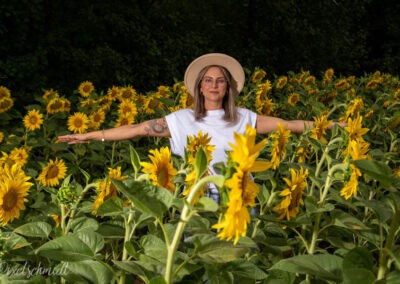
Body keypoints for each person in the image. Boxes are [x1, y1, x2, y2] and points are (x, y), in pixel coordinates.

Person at [58, 53, 344, 201]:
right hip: (197, 196)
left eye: (220, 80)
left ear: (228, 87)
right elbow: (136, 129)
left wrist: (331, 125)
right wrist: (89, 136)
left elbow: (289, 125)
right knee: (202, 261)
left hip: (241, 195)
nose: (214, 85)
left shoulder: (245, 118)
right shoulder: (181, 120)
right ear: (199, 87)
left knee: (240, 262)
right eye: (208, 80)